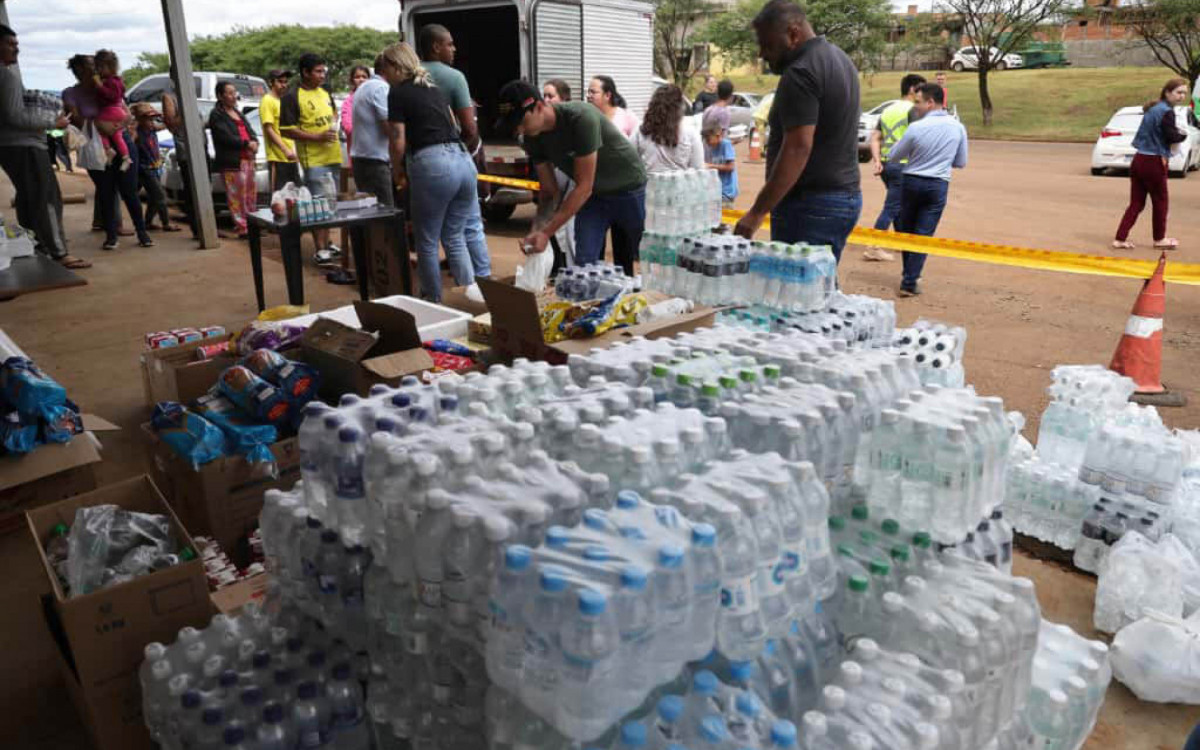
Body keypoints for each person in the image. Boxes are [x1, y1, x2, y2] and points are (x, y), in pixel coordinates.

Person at [733, 0, 863, 268]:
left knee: (796, 288)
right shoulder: (841, 59)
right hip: (843, 197)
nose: (762, 54)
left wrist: (756, 213)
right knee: (818, 285)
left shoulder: (800, 72)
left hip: (810, 205)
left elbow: (798, 148)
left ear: (793, 34)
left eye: (767, 44)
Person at [498, 79, 648, 275]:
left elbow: (584, 187)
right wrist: (537, 229)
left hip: (628, 189)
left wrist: (546, 233)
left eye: (521, 121)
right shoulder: (531, 138)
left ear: (540, 106)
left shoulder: (581, 118)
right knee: (583, 265)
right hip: (595, 197)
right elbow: (548, 192)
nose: (519, 129)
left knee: (645, 255)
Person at [382, 42, 488, 302]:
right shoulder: (434, 89)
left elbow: (397, 140)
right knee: (455, 235)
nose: (384, 75)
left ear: (396, 67)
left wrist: (397, 170)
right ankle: (471, 298)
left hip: (433, 163)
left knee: (427, 241)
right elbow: (455, 125)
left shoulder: (398, 93)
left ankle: (432, 300)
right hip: (463, 161)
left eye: (385, 69)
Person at [0, 25, 86, 267]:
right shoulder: (6, 76)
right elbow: (14, 116)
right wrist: (53, 122)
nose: (16, 49)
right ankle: (58, 251)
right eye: (10, 44)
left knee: (29, 198)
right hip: (25, 145)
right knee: (46, 198)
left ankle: (36, 245)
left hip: (9, 146)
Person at [418, 23, 490, 280]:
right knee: (469, 227)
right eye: (449, 44)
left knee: (430, 235)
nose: (454, 49)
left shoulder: (409, 77)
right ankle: (482, 281)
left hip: (424, 164)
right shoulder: (454, 77)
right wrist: (461, 151)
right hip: (458, 161)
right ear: (435, 47)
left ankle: (434, 293)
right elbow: (470, 128)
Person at [887, 83, 968, 297]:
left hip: (911, 181)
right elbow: (961, 162)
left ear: (931, 102)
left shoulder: (916, 128)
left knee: (907, 232)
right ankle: (910, 280)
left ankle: (909, 277)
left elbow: (894, 156)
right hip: (938, 184)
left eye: (918, 102)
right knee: (923, 234)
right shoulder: (958, 127)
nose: (915, 107)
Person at [280, 52, 343, 266]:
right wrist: (317, 137)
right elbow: (286, 130)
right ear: (305, 72)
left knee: (330, 201)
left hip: (333, 154)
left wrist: (334, 124)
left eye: (323, 71)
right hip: (314, 160)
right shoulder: (292, 96)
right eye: (318, 71)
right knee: (318, 204)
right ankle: (320, 249)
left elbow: (333, 114)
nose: (322, 75)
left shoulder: (325, 91)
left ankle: (328, 242)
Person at [1113, 78, 1189, 250]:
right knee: (1161, 201)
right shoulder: (1166, 112)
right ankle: (1159, 238)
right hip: (1154, 161)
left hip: (1139, 158)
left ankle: (1120, 238)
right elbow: (1171, 136)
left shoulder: (1153, 109)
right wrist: (1183, 135)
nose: (1182, 96)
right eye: (1178, 92)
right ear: (1167, 92)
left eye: (1184, 93)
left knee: (1136, 203)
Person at [865, 72, 926, 262]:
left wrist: (877, 160)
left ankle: (901, 240)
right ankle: (873, 246)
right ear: (912, 89)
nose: (923, 94)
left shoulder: (888, 110)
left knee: (898, 203)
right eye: (922, 89)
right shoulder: (913, 111)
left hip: (886, 164)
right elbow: (919, 139)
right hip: (902, 165)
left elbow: (875, 138)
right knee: (893, 206)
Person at [208, 81, 259, 239]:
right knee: (236, 196)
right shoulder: (217, 115)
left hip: (247, 159)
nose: (233, 96)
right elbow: (225, 137)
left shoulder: (238, 112)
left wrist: (255, 141)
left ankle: (252, 224)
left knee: (250, 194)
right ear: (220, 96)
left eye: (234, 92)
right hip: (232, 162)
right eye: (229, 93)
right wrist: (246, 143)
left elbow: (250, 130)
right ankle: (242, 227)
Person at [542, 78, 578, 269]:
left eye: (551, 96)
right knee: (552, 218)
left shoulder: (573, 122)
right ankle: (558, 266)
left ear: (564, 99)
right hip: (558, 175)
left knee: (571, 228)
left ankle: (573, 270)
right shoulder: (545, 125)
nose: (546, 100)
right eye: (544, 96)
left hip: (576, 179)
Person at [350, 55, 394, 209]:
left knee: (370, 212)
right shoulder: (381, 88)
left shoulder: (364, 87)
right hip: (375, 162)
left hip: (362, 160)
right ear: (388, 68)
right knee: (385, 213)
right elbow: (389, 128)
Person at [633, 84, 704, 174]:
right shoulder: (690, 133)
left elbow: (628, 161)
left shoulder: (641, 131)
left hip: (650, 182)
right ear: (680, 107)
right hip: (680, 182)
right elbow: (698, 168)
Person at [132, 102, 178, 232]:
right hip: (145, 169)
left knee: (153, 197)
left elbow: (166, 125)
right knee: (160, 196)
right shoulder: (138, 133)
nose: (152, 123)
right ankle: (166, 223)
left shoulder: (151, 130)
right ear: (140, 120)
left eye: (153, 120)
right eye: (149, 120)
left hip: (154, 168)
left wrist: (163, 117)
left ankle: (148, 222)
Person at [160, 86, 196, 237]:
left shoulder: (190, 94)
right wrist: (184, 110)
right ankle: (197, 228)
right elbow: (172, 125)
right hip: (186, 150)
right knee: (191, 189)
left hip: (199, 148)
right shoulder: (170, 97)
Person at [92, 49, 132, 172]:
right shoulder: (117, 81)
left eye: (101, 67)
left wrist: (100, 87)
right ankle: (126, 157)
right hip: (118, 112)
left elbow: (112, 96)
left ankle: (108, 150)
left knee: (99, 130)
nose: (98, 70)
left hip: (110, 111)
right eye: (97, 67)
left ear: (111, 67)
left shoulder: (111, 81)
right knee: (117, 136)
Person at [260, 69, 299, 192]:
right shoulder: (267, 100)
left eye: (285, 82)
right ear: (271, 83)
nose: (284, 85)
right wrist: (285, 149)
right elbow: (269, 129)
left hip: (291, 156)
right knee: (279, 196)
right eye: (280, 82)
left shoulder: (284, 100)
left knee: (296, 194)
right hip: (278, 158)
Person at [703, 124, 738, 206]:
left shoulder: (726, 145)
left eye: (708, 139)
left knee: (725, 211)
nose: (707, 143)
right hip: (718, 189)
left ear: (717, 136)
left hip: (727, 191)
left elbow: (731, 166)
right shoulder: (713, 147)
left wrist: (710, 166)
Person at [341, 65, 370, 156]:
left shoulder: (375, 98)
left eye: (364, 77)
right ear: (352, 80)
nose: (361, 79)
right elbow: (347, 127)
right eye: (357, 77)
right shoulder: (348, 102)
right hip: (357, 152)